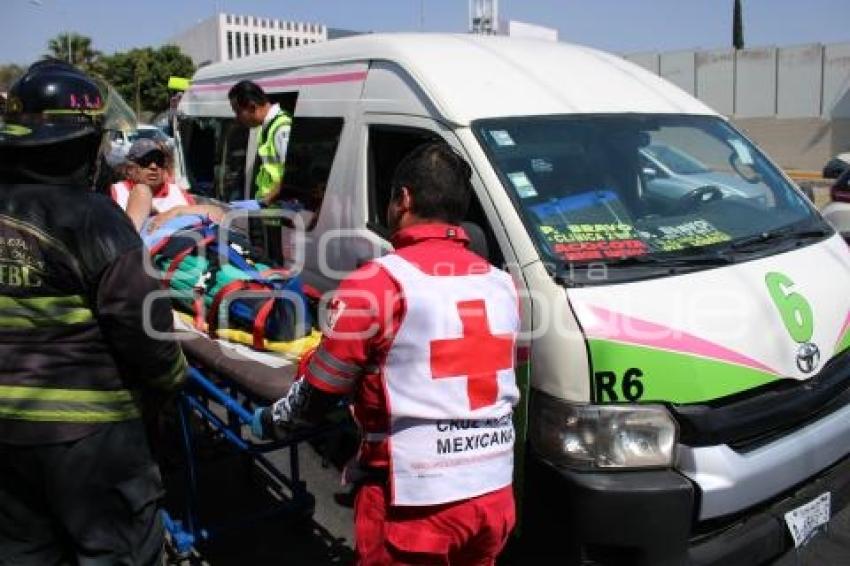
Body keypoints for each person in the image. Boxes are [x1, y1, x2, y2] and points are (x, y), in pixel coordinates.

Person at [253, 143, 521, 565]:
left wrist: (271, 421)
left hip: (416, 504)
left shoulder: (377, 283)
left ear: (404, 199)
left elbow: (320, 393)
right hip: (492, 496)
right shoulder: (504, 285)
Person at [0, 59, 187, 565]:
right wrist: (171, 381)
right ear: (84, 146)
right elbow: (144, 329)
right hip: (93, 443)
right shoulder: (93, 221)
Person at [110, 137, 225, 231]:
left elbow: (218, 213)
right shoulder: (118, 191)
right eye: (146, 161)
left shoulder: (177, 192)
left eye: (159, 161)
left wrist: (176, 212)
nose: (153, 166)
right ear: (130, 169)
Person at [228, 80, 291, 207]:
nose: (237, 118)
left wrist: (263, 202)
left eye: (238, 112)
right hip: (271, 212)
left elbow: (290, 178)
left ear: (252, 107)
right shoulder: (267, 127)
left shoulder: (282, 129)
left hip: (280, 214)